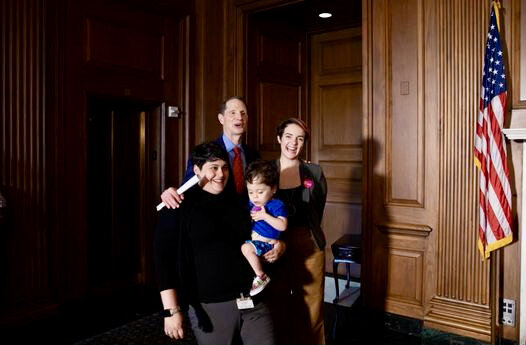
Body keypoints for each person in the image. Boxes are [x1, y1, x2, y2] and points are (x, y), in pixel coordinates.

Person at [154, 141, 276, 345]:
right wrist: (171, 311)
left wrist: (279, 247)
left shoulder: (240, 202)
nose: (220, 174)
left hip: (253, 301)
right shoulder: (177, 206)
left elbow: (261, 235)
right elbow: (163, 261)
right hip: (211, 305)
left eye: (224, 167)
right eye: (213, 168)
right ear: (196, 170)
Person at [270, 117, 328, 345]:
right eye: (289, 137)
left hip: (308, 243)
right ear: (279, 139)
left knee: (312, 306)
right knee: (278, 302)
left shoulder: (314, 171)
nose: (293, 143)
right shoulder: (267, 171)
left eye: (300, 138)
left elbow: (319, 206)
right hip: (276, 245)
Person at [160, 96, 259, 208]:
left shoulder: (253, 154)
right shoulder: (204, 152)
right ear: (221, 119)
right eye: (233, 113)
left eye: (243, 113)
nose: (239, 117)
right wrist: (170, 193)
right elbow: (188, 189)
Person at [241, 160, 288, 296]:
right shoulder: (250, 204)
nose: (255, 196)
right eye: (251, 192)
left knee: (245, 248)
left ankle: (261, 276)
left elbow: (283, 225)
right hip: (256, 242)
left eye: (260, 192)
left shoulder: (276, 205)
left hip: (268, 243)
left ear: (273, 189)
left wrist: (265, 216)